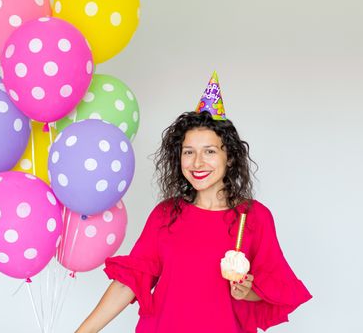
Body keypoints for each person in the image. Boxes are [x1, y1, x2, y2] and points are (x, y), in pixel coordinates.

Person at [76, 72, 312, 333]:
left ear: (230, 157)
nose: (197, 163)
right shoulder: (166, 214)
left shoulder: (254, 218)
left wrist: (248, 291)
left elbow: (274, 288)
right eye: (189, 152)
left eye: (209, 151)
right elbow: (129, 282)